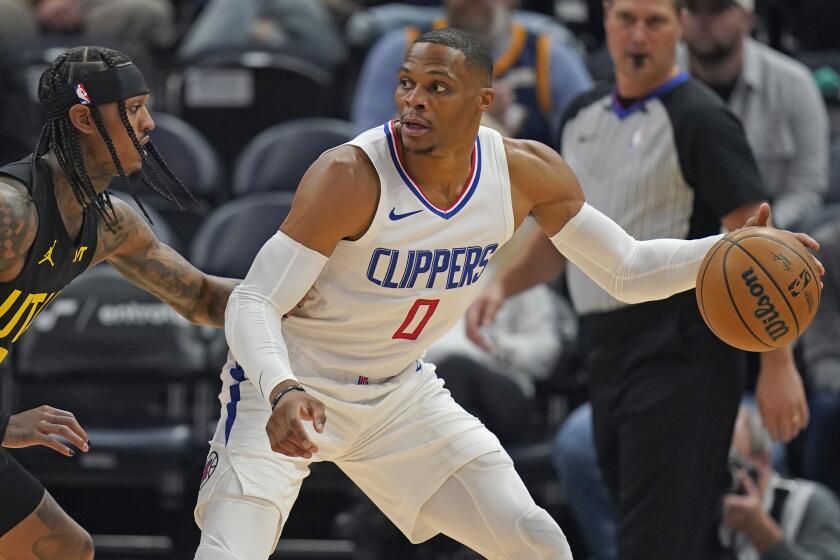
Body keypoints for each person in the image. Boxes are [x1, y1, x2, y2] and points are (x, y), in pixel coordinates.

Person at [193, 26, 819, 560]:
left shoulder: (523, 173)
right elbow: (253, 301)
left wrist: (731, 247)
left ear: (483, 100)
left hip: (398, 398)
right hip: (285, 389)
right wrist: (281, 387)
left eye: (437, 88)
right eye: (407, 83)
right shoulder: (348, 177)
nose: (414, 101)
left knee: (537, 543)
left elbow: (626, 267)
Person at [468, 0, 815, 557]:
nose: (638, 34)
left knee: (653, 543)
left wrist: (777, 364)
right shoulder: (580, 111)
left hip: (681, 351)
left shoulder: (702, 118)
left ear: (679, 26)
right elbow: (564, 235)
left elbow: (759, 248)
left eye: (655, 21)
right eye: (626, 18)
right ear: (605, 21)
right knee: (667, 536)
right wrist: (502, 286)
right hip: (604, 353)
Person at [0, 45, 238, 559]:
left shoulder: (109, 224)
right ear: (84, 118)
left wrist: (321, 296)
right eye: (132, 110)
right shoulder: (9, 214)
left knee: (62, 549)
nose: (150, 124)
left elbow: (202, 299)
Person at [352, 0, 592, 144]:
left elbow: (589, 146)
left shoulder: (549, 56)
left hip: (521, 208)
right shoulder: (400, 49)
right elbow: (367, 146)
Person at [680, 0, 829, 230]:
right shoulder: (655, 84)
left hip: (768, 244)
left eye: (718, 9)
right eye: (693, 8)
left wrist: (764, 231)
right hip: (674, 240)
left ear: (748, 18)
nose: (703, 20)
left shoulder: (795, 85)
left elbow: (807, 186)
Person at [720, 405, 840, 559]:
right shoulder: (704, 510)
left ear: (763, 461)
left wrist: (762, 531)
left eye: (734, 466)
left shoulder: (810, 503)